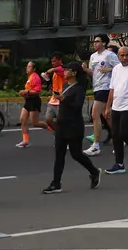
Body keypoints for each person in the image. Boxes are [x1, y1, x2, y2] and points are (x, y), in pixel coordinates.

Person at [42, 61, 102, 193]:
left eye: (67, 70)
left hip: (73, 126)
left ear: (74, 73)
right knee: (59, 154)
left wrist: (63, 99)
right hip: (61, 125)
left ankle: (94, 171)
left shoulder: (79, 89)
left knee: (76, 154)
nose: (64, 72)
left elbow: (77, 106)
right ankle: (56, 183)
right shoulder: (65, 86)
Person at [84, 34, 116, 155]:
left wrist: (107, 70)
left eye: (97, 41)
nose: (95, 43)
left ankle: (96, 145)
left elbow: (119, 68)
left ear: (104, 43)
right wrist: (85, 70)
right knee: (106, 116)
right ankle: (119, 137)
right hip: (96, 87)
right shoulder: (92, 57)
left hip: (106, 87)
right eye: (94, 41)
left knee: (95, 114)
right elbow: (93, 73)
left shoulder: (110, 55)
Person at [16, 61, 47, 148]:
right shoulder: (30, 77)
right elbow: (29, 90)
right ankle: (25, 141)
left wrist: (26, 92)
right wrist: (24, 93)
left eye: (29, 67)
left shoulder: (35, 77)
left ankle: (53, 129)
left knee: (35, 123)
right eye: (27, 66)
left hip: (34, 101)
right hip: (28, 101)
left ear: (34, 69)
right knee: (22, 119)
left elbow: (37, 91)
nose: (27, 68)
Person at [42, 53, 66, 131]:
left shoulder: (63, 69)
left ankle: (64, 136)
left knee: (61, 121)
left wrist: (49, 71)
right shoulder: (55, 73)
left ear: (60, 60)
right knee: (48, 119)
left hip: (61, 99)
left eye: (54, 61)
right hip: (53, 99)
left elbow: (58, 69)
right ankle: (58, 134)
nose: (53, 63)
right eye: (52, 61)